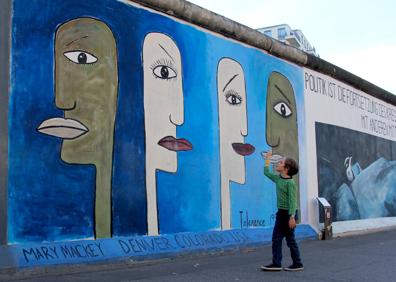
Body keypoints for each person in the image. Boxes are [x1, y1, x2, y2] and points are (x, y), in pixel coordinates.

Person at [261, 151, 304, 271]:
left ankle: (297, 263)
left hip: (289, 214)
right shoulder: (278, 178)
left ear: (286, 168)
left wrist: (292, 217)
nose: (278, 163)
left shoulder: (290, 183)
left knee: (290, 240)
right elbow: (266, 172)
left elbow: (293, 201)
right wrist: (267, 159)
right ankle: (277, 263)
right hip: (281, 214)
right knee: (276, 238)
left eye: (280, 162)